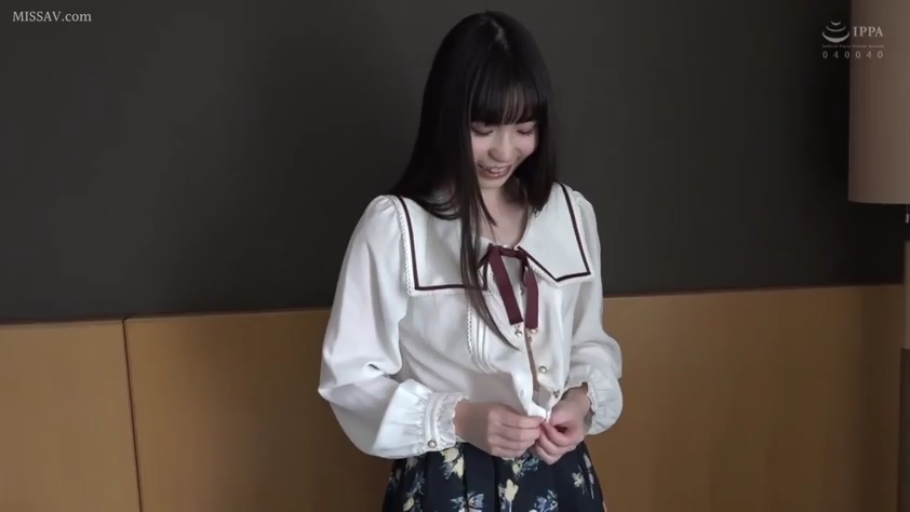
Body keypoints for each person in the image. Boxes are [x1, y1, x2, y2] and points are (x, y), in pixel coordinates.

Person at [318, 10, 623, 511]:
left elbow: (590, 343)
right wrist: (459, 417)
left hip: (560, 477)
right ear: (447, 118)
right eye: (484, 129)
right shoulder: (397, 226)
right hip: (447, 481)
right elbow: (349, 379)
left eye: (524, 128)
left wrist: (581, 402)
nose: (504, 151)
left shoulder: (571, 214)